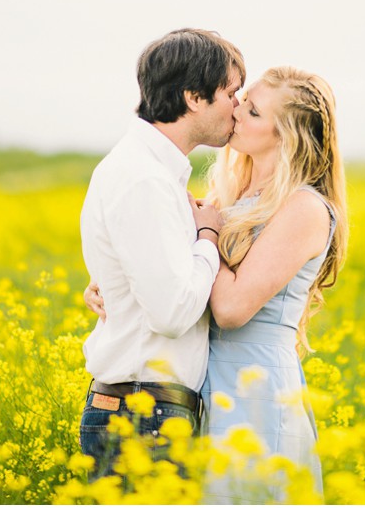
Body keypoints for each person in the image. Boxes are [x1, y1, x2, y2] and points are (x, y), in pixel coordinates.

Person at [86, 66, 348, 503]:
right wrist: (125, 284)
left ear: (286, 135)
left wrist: (205, 234)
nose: (236, 112)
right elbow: (183, 277)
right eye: (241, 100)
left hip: (256, 386)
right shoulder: (233, 194)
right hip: (207, 382)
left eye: (253, 111)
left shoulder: (304, 207)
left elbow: (229, 308)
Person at [77, 28, 245, 477]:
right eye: (231, 92)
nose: (238, 106)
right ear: (193, 96)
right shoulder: (145, 179)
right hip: (141, 415)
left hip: (143, 410)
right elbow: (171, 313)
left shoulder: (150, 170)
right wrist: (208, 238)